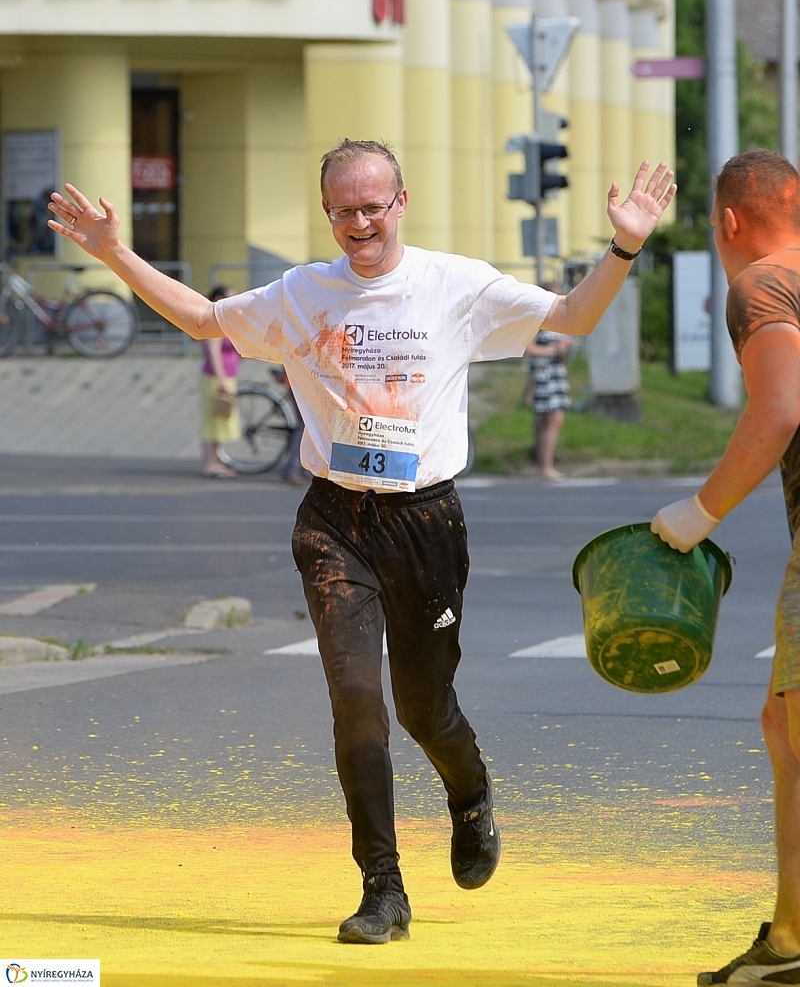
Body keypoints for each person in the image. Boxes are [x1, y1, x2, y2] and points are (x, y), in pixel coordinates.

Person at [48, 139, 675, 945]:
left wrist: (624, 245)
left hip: (426, 523)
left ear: (401, 201)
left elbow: (573, 316)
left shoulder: (457, 285)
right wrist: (116, 253)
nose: (359, 222)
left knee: (422, 706)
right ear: (326, 213)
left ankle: (470, 790)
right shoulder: (303, 294)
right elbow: (206, 318)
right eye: (343, 208)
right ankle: (383, 885)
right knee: (356, 699)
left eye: (373, 205)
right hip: (335, 521)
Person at [651, 149, 800, 986]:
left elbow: (780, 408)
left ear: (729, 222)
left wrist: (699, 511)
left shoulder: (763, 285)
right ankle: (789, 935)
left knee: (798, 734)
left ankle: (792, 947)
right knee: (786, 726)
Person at [524, 282, 573, 480]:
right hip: (544, 372)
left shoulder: (559, 320)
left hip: (556, 371)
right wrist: (553, 350)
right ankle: (545, 464)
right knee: (551, 418)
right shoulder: (537, 319)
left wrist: (565, 345)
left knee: (553, 419)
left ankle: (545, 462)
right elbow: (529, 348)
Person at [200, 284, 241, 479]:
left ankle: (216, 460)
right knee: (213, 420)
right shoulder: (215, 321)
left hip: (227, 376)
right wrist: (222, 380)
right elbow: (213, 352)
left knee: (220, 420)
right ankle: (211, 462)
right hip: (216, 378)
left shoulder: (226, 321)